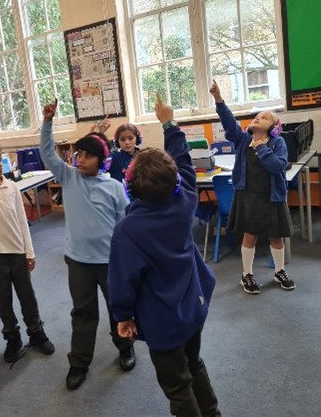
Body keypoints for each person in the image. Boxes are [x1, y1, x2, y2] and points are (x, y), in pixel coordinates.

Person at [109, 95, 220, 417]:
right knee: (194, 364)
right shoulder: (185, 199)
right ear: (175, 183)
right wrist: (169, 124)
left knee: (177, 388)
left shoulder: (128, 231)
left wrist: (123, 316)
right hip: (194, 306)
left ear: (129, 187)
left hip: (163, 322)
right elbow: (183, 163)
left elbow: (122, 282)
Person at [40, 98, 133, 391]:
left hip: (109, 262)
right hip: (78, 261)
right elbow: (47, 153)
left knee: (118, 308)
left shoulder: (114, 187)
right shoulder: (69, 178)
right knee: (83, 312)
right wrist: (47, 121)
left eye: (87, 156)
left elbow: (124, 225)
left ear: (102, 160)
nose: (79, 159)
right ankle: (79, 363)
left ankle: (125, 346)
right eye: (78, 154)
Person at [0, 109, 54, 364]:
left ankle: (36, 332)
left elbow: (22, 222)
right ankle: (12, 338)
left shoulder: (12, 186)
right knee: (3, 300)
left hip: (17, 251)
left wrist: (29, 252)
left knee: (28, 296)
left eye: (0, 158)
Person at [210, 80, 295, 294]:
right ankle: (246, 274)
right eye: (257, 116)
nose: (258, 117)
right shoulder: (242, 140)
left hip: (272, 197)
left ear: (273, 128)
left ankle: (279, 271)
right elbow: (229, 123)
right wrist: (219, 100)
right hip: (249, 197)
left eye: (265, 117)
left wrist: (262, 148)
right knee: (250, 236)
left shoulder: (278, 143)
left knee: (276, 237)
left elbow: (278, 167)